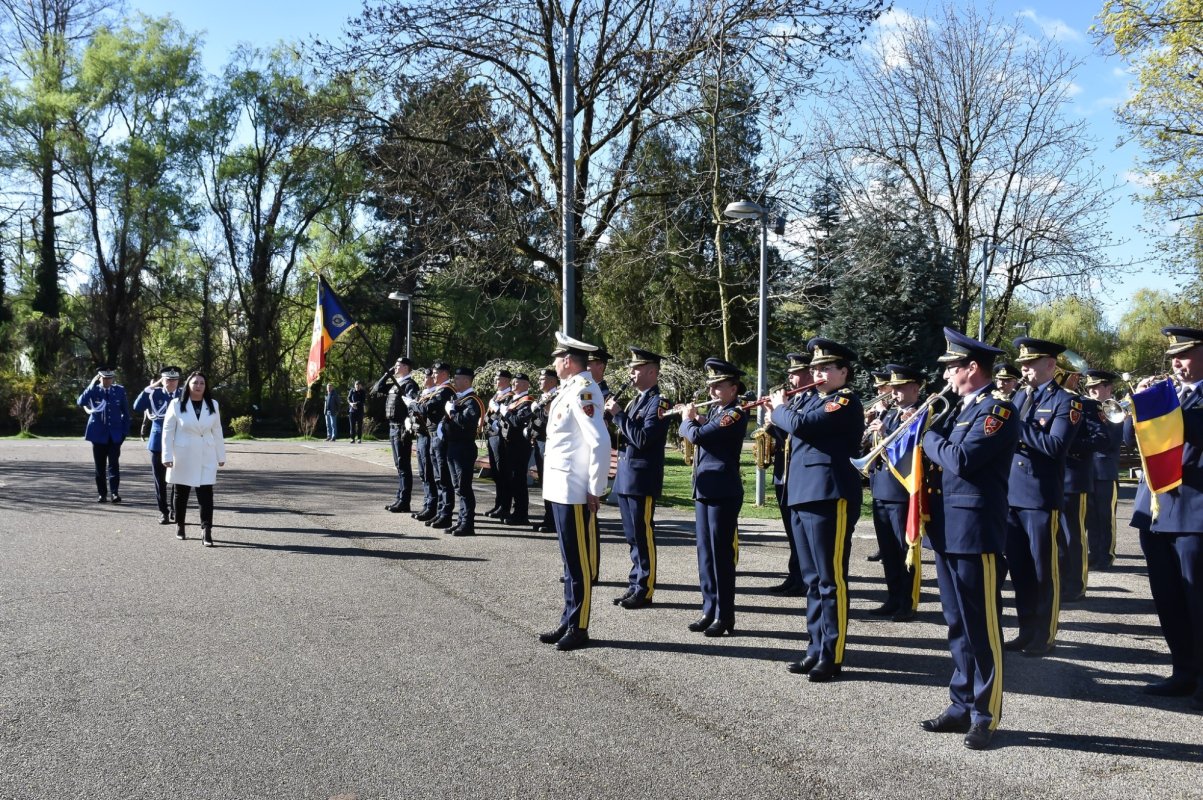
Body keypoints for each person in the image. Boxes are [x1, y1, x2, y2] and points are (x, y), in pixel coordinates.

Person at [918, 327, 1018, 752]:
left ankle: (985, 714)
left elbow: (961, 460)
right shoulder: (958, 409)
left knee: (983, 628)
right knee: (957, 624)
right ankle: (960, 704)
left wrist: (926, 435)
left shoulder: (998, 411)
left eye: (951, 367)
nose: (946, 376)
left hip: (976, 531)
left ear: (972, 367)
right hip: (945, 528)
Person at [766, 338, 864, 682]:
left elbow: (803, 426)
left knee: (830, 579)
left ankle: (832, 654)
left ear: (843, 372)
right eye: (816, 368)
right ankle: (815, 647)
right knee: (811, 579)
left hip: (829, 494)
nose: (818, 374)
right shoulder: (810, 399)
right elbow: (789, 430)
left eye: (826, 368)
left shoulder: (844, 401)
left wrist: (780, 409)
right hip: (802, 494)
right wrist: (776, 414)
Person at [1136, 326, 1203, 709]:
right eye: (1174, 356)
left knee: (1198, 599)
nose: (1176, 362)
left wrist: (1164, 407)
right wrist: (1142, 404)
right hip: (1157, 511)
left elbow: (1195, 432)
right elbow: (1132, 439)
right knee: (1168, 598)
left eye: (1185, 354)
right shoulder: (1172, 394)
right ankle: (1183, 671)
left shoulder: (1184, 399)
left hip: (1194, 513)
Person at [1005, 337, 1082, 656]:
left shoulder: (1067, 401)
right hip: (1011, 495)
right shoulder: (1019, 395)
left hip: (1039, 496)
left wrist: (1017, 426)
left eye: (1030, 364)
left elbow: (1055, 446)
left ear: (1050, 365)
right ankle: (1026, 630)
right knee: (1020, 570)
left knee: (1042, 570)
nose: (1024, 369)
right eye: (1022, 364)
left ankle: (1045, 634)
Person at [537, 333, 611, 652]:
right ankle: (568, 619)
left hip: (575, 489)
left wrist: (595, 488)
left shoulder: (584, 390)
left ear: (567, 361)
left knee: (579, 565)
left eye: (557, 359)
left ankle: (579, 627)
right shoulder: (568, 388)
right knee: (569, 563)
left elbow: (600, 442)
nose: (554, 364)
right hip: (560, 487)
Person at [680, 358, 750, 636]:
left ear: (733, 388)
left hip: (723, 491)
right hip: (705, 489)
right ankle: (709, 609)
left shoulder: (735, 414)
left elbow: (698, 436)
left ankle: (725, 615)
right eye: (711, 386)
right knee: (705, 554)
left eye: (718, 386)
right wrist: (697, 419)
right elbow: (705, 430)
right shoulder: (716, 411)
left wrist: (687, 420)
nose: (712, 391)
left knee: (721, 555)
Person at [605, 347, 672, 610]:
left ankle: (645, 589)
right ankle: (634, 584)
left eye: (636, 369)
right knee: (632, 537)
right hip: (626, 476)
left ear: (651, 372)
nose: (630, 373)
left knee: (643, 536)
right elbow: (623, 438)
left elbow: (643, 439)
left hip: (642, 479)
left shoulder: (659, 403)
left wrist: (619, 415)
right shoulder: (635, 401)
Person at [866, 363, 926, 622]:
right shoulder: (890, 413)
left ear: (915, 388)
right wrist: (870, 428)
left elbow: (913, 448)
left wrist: (885, 431)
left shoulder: (921, 412)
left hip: (902, 490)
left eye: (901, 388)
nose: (895, 393)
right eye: (893, 388)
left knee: (905, 551)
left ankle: (907, 602)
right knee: (888, 551)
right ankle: (892, 598)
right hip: (881, 487)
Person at [1057, 370, 1109, 603]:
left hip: (1073, 479)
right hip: (1047, 479)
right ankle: (1057, 580)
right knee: (1053, 537)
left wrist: (1065, 444)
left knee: (1072, 535)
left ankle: (1075, 584)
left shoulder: (1086, 405)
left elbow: (1101, 439)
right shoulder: (1042, 400)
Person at [766, 353, 813, 594]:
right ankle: (794, 576)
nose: (791, 378)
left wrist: (779, 415)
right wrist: (772, 421)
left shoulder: (810, 400)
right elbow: (785, 438)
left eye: (795, 373)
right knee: (791, 530)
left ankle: (803, 579)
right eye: (790, 373)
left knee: (801, 533)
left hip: (798, 474)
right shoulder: (795, 401)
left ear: (808, 374)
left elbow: (799, 432)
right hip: (783, 472)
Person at [162, 371, 226, 547]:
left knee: (206, 494)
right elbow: (167, 430)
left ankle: (206, 529)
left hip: (206, 453)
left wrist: (221, 455)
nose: (198, 386)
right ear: (188, 385)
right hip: (183, 453)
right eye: (195, 383)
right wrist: (167, 455)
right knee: (181, 492)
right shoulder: (177, 404)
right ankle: (180, 525)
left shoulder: (212, 404)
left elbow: (217, 430)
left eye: (202, 383)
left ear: (206, 386)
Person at [1082, 369, 1124, 569]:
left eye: (1096, 386)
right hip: (1088, 468)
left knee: (1106, 515)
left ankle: (1106, 554)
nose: (1091, 390)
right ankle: (1094, 552)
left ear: (1109, 387)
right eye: (1089, 387)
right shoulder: (1086, 407)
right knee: (1090, 515)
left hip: (1106, 470)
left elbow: (1112, 441)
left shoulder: (1114, 409)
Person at [132, 366, 183, 523]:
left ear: (178, 381)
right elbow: (137, 407)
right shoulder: (154, 393)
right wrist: (149, 388)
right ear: (162, 380)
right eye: (168, 380)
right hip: (158, 442)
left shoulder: (184, 394)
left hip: (179, 441)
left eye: (174, 380)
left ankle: (175, 509)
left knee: (178, 479)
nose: (171, 383)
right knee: (160, 480)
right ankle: (163, 511)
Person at [372, 357, 420, 513]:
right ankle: (400, 498)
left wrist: (409, 422)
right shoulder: (395, 383)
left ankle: (404, 501)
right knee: (399, 466)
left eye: (398, 365)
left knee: (403, 465)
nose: (395, 367)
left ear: (406, 367)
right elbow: (377, 389)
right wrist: (387, 374)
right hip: (392, 427)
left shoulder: (410, 384)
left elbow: (413, 404)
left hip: (401, 428)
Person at [77, 366, 131, 503]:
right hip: (98, 434)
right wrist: (91, 385)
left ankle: (114, 493)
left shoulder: (119, 390)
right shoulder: (94, 390)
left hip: (115, 434)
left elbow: (126, 412)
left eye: (110, 378)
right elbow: (81, 402)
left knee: (114, 465)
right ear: (99, 378)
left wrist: (124, 432)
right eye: (105, 378)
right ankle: (102, 494)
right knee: (99, 466)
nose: (107, 381)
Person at [585, 347, 615, 582]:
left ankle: (591, 569)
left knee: (589, 519)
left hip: (593, 459)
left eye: (590, 364)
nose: (586, 368)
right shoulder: (585, 390)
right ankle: (580, 566)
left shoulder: (607, 395)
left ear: (601, 367)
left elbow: (607, 430)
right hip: (580, 458)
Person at [443, 367, 484, 536]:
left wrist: (452, 412)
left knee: (464, 487)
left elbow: (466, 422)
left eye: (458, 378)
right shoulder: (458, 398)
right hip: (453, 445)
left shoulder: (472, 401)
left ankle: (468, 524)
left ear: (467, 380)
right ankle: (460, 521)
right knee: (458, 487)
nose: (455, 381)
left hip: (464, 447)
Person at [419, 362, 456, 528]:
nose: (433, 376)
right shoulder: (438, 390)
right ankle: (440, 512)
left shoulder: (446, 390)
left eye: (436, 373)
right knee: (438, 477)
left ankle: (446, 514)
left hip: (440, 436)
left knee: (444, 477)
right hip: (433, 435)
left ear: (444, 374)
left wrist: (415, 405)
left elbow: (429, 407)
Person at [499, 373, 536, 526]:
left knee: (519, 480)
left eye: (518, 382)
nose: (514, 384)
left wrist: (506, 413)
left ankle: (521, 514)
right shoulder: (512, 400)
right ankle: (513, 511)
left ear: (526, 384)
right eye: (513, 382)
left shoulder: (527, 402)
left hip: (520, 445)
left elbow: (517, 421)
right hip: (509, 443)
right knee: (512, 479)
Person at [529, 369, 560, 533]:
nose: (540, 381)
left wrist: (537, 410)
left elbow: (550, 419)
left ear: (553, 380)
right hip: (539, 442)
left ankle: (554, 520)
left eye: (543, 378)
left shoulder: (557, 396)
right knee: (544, 482)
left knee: (551, 482)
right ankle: (548, 518)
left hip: (549, 443)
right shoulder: (543, 397)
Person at [484, 370, 514, 519]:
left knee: (503, 472)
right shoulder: (496, 396)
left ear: (507, 380)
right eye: (495, 378)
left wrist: (496, 409)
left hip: (502, 439)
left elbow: (507, 416)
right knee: (496, 473)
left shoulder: (510, 397)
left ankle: (505, 506)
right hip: (492, 436)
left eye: (499, 378)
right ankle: (498, 504)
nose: (496, 381)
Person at [411, 369, 438, 521]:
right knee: (422, 472)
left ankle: (432, 505)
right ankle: (427, 503)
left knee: (429, 472)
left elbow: (424, 410)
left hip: (428, 436)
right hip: (420, 434)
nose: (424, 379)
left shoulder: (435, 395)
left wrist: (413, 405)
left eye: (427, 377)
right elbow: (414, 411)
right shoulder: (423, 394)